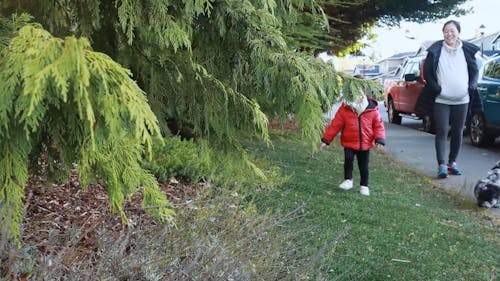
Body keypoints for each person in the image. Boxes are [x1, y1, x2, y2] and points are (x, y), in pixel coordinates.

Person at [415, 20, 481, 179]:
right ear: (442, 33)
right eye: (446, 31)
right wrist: (436, 88)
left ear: (458, 32)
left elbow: (475, 71)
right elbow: (428, 73)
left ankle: (453, 162)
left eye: (452, 31)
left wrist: (471, 85)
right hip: (441, 100)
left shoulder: (467, 50)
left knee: (458, 132)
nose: (449, 34)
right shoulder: (435, 50)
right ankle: (442, 165)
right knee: (442, 131)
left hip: (462, 99)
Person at [319, 92, 385, 196]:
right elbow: (335, 124)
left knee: (364, 166)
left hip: (365, 143)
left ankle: (364, 186)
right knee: (348, 160)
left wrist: (379, 139)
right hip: (349, 141)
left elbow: (378, 126)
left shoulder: (372, 110)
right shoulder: (345, 108)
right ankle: (348, 180)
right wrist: (326, 140)